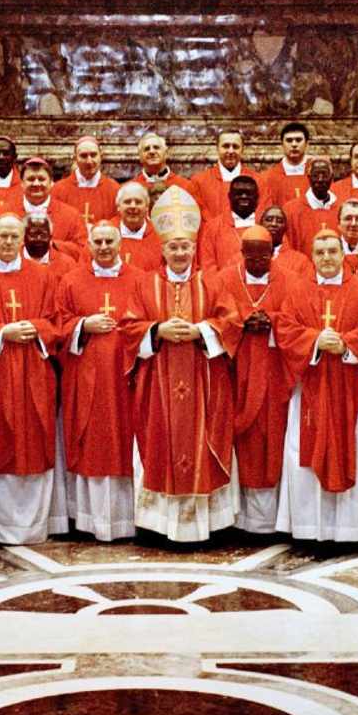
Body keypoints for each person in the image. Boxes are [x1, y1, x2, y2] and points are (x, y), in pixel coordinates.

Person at [121, 187, 236, 541]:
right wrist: (157, 331)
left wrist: (201, 331)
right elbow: (129, 327)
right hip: (159, 384)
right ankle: (159, 526)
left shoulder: (210, 282)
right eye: (174, 246)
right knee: (160, 445)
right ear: (163, 249)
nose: (180, 252)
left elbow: (230, 321)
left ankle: (205, 527)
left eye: (186, 246)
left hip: (203, 383)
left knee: (201, 445)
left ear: (194, 248)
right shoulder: (146, 284)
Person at [274, 229, 358, 542]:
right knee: (305, 447)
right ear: (312, 257)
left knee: (357, 442)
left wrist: (347, 345)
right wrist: (314, 341)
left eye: (332, 251)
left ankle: (352, 530)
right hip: (311, 384)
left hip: (351, 384)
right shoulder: (298, 290)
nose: (326, 258)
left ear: (343, 255)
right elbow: (285, 329)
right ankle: (310, 528)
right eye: (320, 252)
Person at [0, 215, 65, 544]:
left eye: (14, 236)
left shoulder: (42, 275)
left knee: (36, 437)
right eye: (2, 235)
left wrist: (35, 329)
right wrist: (3, 331)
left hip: (35, 371)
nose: (8, 242)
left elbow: (55, 321)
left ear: (23, 239)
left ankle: (33, 525)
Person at [208, 225, 300, 534]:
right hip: (237, 370)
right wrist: (244, 320)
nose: (259, 260)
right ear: (242, 253)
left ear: (274, 252)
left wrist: (272, 322)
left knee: (272, 436)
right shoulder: (224, 279)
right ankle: (239, 516)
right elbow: (218, 315)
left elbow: (297, 318)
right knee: (241, 441)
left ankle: (272, 519)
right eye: (252, 254)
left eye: (265, 254)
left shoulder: (289, 281)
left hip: (275, 370)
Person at [53, 221, 141, 541]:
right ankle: (91, 520)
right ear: (88, 245)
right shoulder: (71, 280)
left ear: (120, 244)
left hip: (125, 376)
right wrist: (82, 325)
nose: (103, 247)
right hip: (86, 376)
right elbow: (57, 322)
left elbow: (146, 319)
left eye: (109, 241)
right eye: (98, 242)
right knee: (92, 440)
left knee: (123, 437)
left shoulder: (138, 279)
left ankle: (126, 519)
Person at [52, 136, 121, 233]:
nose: (89, 161)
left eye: (93, 155)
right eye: (83, 156)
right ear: (75, 158)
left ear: (101, 156)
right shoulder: (59, 189)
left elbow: (119, 220)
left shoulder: (114, 189)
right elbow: (54, 221)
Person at [199, 175, 263, 273]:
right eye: (239, 193)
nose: (244, 197)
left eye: (249, 194)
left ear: (257, 197)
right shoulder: (213, 227)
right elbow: (208, 266)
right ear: (229, 196)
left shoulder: (266, 225)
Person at [192, 129, 261, 219]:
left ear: (242, 149)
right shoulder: (199, 182)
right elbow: (197, 216)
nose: (231, 151)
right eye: (226, 146)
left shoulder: (258, 180)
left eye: (235, 147)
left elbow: (261, 214)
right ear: (217, 148)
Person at [283, 157, 341, 253]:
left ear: (332, 178)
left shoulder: (342, 209)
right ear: (309, 178)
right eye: (316, 175)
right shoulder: (291, 210)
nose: (320, 179)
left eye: (325, 175)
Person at [114, 182, 163, 274]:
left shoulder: (159, 236)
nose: (133, 206)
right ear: (118, 207)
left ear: (147, 208)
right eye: (127, 202)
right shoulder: (106, 233)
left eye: (138, 202)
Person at [134, 131, 195, 203]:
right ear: (140, 157)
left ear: (166, 153)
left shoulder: (185, 186)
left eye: (156, 147)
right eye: (147, 149)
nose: (152, 151)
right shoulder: (130, 188)